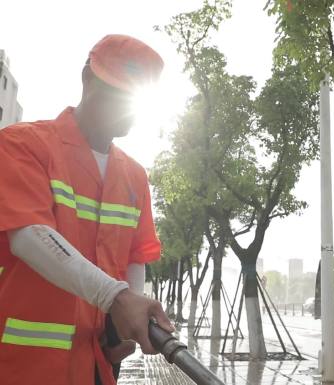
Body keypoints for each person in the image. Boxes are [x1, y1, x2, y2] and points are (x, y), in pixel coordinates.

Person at [0, 34, 173, 385]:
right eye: (118, 91)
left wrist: (123, 329)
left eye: (134, 97)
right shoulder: (22, 145)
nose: (127, 106)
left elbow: (135, 256)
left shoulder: (135, 176)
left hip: (97, 366)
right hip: (24, 367)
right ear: (87, 77)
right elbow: (29, 236)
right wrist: (117, 297)